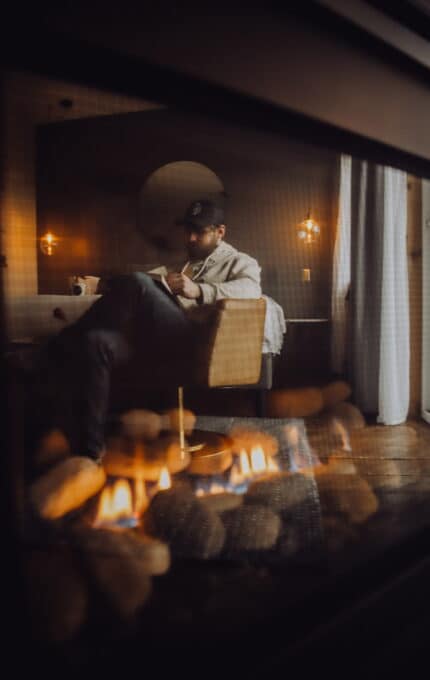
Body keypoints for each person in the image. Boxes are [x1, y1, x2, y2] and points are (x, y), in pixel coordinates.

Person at [35, 199, 262, 461]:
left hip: (192, 342)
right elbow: (141, 286)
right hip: (156, 341)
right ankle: (90, 451)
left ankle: (54, 349)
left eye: (199, 231)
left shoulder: (241, 262)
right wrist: (105, 284)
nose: (190, 237)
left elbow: (251, 291)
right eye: (188, 230)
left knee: (139, 282)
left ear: (220, 232)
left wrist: (199, 290)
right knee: (95, 341)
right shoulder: (186, 264)